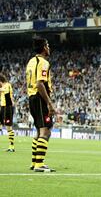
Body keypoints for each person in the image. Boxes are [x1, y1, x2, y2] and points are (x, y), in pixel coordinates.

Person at [26, 37, 56, 172]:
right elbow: (40, 83)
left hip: (31, 98)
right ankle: (39, 164)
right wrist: (49, 103)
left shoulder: (31, 62)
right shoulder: (43, 62)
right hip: (39, 98)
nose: (49, 48)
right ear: (44, 47)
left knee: (39, 131)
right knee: (46, 131)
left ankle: (34, 162)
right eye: (48, 45)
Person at [0, 74, 15, 152]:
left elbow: (6, 93)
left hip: (8, 107)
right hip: (3, 107)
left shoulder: (7, 85)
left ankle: (11, 146)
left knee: (8, 127)